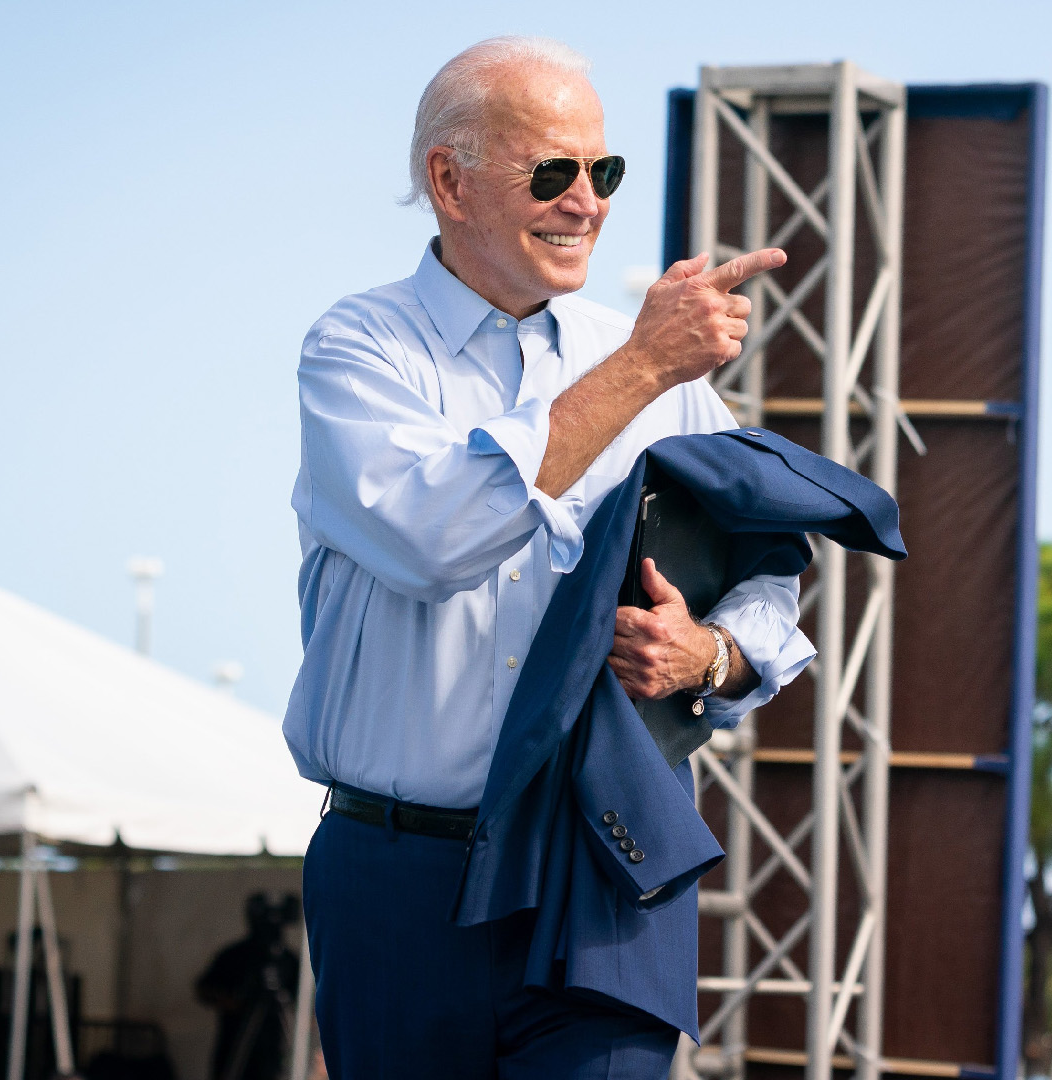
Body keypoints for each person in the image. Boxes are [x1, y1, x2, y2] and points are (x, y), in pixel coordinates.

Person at [285, 34, 807, 1080]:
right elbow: (435, 536)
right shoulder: (359, 351)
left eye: (602, 172)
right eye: (553, 172)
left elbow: (769, 577)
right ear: (450, 180)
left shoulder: (663, 368)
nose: (587, 202)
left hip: (606, 861)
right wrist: (645, 365)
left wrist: (707, 655)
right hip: (398, 875)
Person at [194, 893, 300, 1080]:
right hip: (235, 1043)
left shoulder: (288, 960)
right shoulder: (234, 956)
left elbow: (303, 1000)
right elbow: (204, 988)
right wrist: (232, 1002)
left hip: (273, 1047)